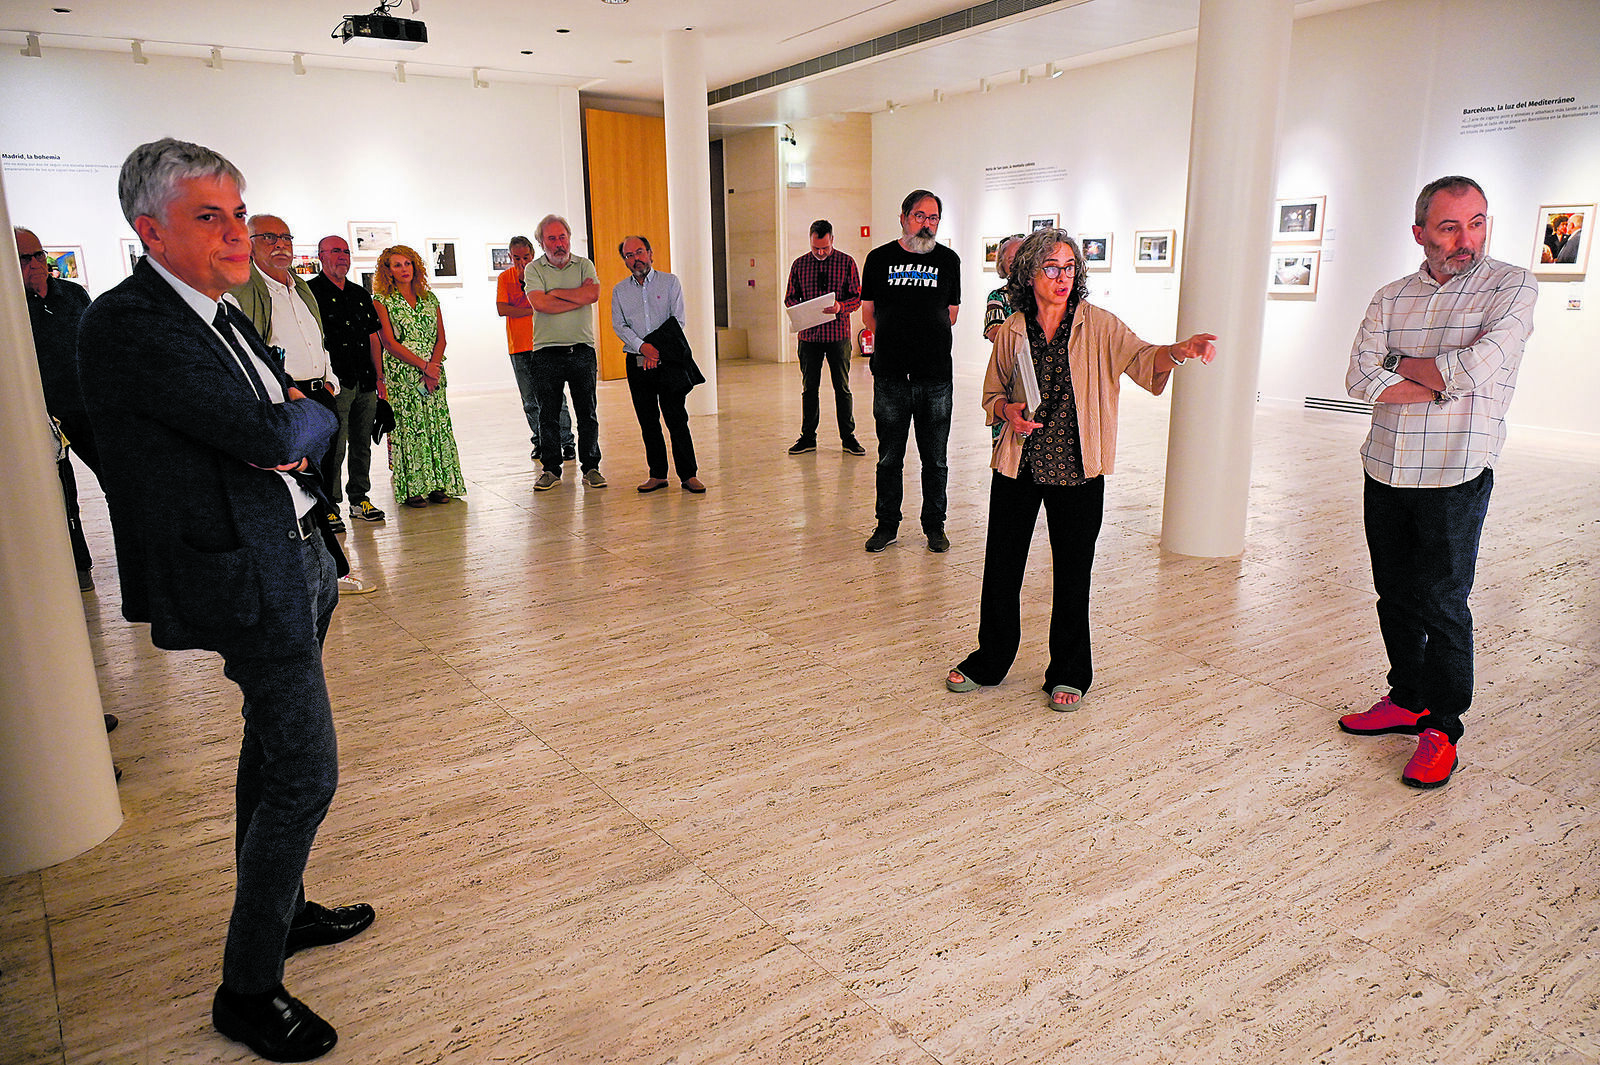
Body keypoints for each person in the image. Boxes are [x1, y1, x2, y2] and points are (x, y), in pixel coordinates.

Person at [75, 137, 373, 1062]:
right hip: (249, 575)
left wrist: (299, 415)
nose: (236, 233)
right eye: (211, 216)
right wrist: (302, 414)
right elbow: (271, 421)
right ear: (150, 229)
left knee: (274, 746)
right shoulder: (132, 323)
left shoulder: (215, 312)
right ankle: (247, 987)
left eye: (240, 214)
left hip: (297, 553)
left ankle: (278, 912)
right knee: (306, 772)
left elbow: (296, 410)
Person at [945, 228, 1217, 709]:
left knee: (1074, 572)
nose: (1062, 276)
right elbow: (992, 395)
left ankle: (1069, 670)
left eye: (1070, 267)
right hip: (1019, 465)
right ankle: (991, 658)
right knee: (1002, 567)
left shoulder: (1100, 325)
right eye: (1052, 267)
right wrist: (1008, 411)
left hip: (1077, 468)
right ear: (1030, 273)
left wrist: (1179, 351)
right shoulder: (1011, 330)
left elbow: (1141, 358)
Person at [1339, 175, 1537, 789]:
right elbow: (1358, 378)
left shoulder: (1511, 286)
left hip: (1456, 470)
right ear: (1420, 231)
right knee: (1393, 593)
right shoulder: (1390, 296)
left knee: (1444, 601)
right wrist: (1436, 378)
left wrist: (1403, 365)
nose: (1466, 239)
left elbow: (1478, 367)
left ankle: (1442, 727)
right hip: (1387, 466)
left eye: (1477, 222)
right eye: (1450, 226)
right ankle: (1407, 698)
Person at [859, 189, 961, 554]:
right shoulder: (879, 258)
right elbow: (868, 313)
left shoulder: (949, 260)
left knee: (935, 458)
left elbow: (951, 313)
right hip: (890, 375)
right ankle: (887, 523)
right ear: (903, 217)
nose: (926, 224)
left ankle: (935, 525)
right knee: (889, 456)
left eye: (933, 218)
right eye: (920, 216)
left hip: (935, 377)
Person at [16, 225, 101, 591]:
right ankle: (79, 567)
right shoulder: (11, 309)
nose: (36, 264)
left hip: (88, 407)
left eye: (39, 255)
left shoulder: (73, 294)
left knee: (119, 481)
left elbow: (96, 344)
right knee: (63, 496)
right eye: (25, 258)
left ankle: (143, 560)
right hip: (42, 417)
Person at [372, 245, 465, 509]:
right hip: (404, 375)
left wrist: (433, 367)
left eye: (408, 264)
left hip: (434, 373)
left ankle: (438, 484)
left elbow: (441, 337)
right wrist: (424, 366)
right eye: (397, 265)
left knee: (436, 426)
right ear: (387, 270)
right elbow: (388, 342)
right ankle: (413, 487)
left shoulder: (429, 298)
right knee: (409, 429)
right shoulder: (381, 301)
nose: (404, 269)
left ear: (416, 267)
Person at [610, 235, 705, 493]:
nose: (635, 258)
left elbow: (678, 321)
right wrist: (643, 348)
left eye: (639, 252)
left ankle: (688, 474)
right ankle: (658, 474)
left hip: (668, 361)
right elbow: (619, 325)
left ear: (650, 253)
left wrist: (656, 351)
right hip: (637, 361)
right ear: (625, 261)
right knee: (648, 420)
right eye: (629, 255)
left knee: (676, 418)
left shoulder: (670, 282)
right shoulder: (619, 291)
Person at [308, 235, 386, 525]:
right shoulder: (310, 292)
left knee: (362, 443)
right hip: (336, 382)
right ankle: (330, 505)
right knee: (334, 447)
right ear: (321, 256)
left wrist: (380, 377)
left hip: (365, 379)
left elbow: (372, 337)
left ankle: (359, 498)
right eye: (335, 251)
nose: (342, 256)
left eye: (345, 251)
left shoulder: (359, 294)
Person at [524, 214, 605, 491]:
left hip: (581, 351)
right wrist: (575, 295)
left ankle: (591, 467)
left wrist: (556, 292)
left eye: (562, 237)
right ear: (542, 242)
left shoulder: (584, 264)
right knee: (547, 414)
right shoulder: (533, 270)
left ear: (568, 237)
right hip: (546, 353)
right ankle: (550, 469)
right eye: (552, 238)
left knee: (588, 413)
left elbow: (592, 295)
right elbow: (540, 304)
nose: (559, 243)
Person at [782, 219, 864, 456]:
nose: (820, 252)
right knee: (809, 389)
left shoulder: (846, 262)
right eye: (815, 248)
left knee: (842, 388)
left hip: (838, 336)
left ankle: (848, 438)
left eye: (824, 248)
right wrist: (800, 309)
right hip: (809, 337)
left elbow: (857, 297)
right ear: (810, 241)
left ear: (832, 241)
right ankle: (807, 438)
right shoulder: (799, 264)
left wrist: (840, 306)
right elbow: (790, 297)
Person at [496, 234, 573, 465]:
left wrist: (524, 306)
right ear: (510, 257)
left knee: (555, 396)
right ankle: (539, 441)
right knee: (530, 399)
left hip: (546, 343)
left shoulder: (543, 275)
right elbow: (502, 309)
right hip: (518, 346)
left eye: (526, 257)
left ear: (533, 254)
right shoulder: (505, 278)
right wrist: (533, 307)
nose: (522, 262)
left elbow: (551, 303)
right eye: (516, 258)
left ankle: (566, 441)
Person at [982, 234, 1026, 344]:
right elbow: (995, 334)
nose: (1017, 264)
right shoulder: (997, 296)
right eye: (1011, 260)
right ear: (1003, 265)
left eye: (1023, 258)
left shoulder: (1041, 292)